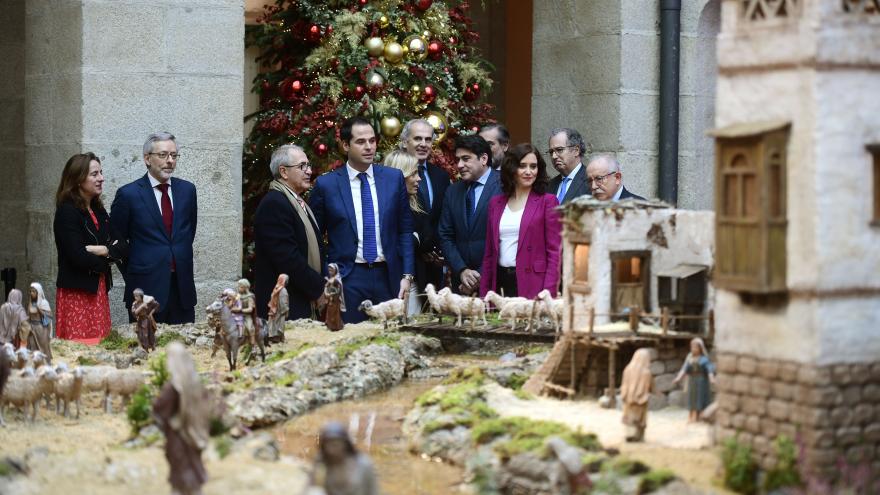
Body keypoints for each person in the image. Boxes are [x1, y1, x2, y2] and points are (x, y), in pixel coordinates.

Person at [309, 117, 415, 323]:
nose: (369, 147)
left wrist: (407, 275)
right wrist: (327, 276)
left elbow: (405, 230)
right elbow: (314, 237)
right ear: (345, 145)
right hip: (348, 277)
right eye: (361, 142)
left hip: (388, 275)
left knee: (390, 336)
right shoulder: (327, 185)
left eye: (372, 140)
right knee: (347, 340)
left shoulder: (394, 179)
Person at [111, 132, 198, 324]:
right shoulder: (128, 194)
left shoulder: (187, 190)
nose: (170, 161)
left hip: (181, 289)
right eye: (163, 155)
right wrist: (138, 272)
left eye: (174, 156)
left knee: (184, 347)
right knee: (147, 346)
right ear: (147, 159)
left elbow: (187, 233)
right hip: (145, 289)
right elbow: (117, 242)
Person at [54, 152, 127, 344]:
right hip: (77, 293)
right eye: (94, 174)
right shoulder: (67, 212)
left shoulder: (98, 210)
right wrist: (107, 259)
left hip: (98, 289)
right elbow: (77, 256)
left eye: (101, 173)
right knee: (79, 349)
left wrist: (103, 250)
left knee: (100, 345)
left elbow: (122, 245)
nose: (101, 178)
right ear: (78, 179)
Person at [479, 144, 562, 299]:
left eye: (533, 166)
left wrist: (548, 292)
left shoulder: (548, 202)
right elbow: (489, 254)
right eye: (522, 166)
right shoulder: (495, 204)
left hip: (533, 283)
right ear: (512, 168)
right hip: (500, 282)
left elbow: (555, 253)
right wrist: (484, 294)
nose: (529, 172)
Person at [253, 144, 326, 322]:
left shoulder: (296, 201)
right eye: (302, 166)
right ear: (284, 172)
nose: (309, 171)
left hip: (300, 299)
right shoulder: (274, 203)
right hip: (285, 306)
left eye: (309, 166)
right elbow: (288, 259)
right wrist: (318, 289)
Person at [438, 135, 501, 295]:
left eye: (466, 159)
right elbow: (445, 234)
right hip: (462, 283)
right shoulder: (453, 190)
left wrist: (480, 274)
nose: (459, 165)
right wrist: (462, 270)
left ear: (484, 158)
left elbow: (505, 235)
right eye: (458, 159)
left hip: (496, 279)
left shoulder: (504, 186)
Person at [152, 342, 213, 495]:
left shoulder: (173, 387)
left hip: (179, 434)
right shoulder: (195, 383)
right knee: (192, 464)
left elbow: (159, 409)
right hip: (194, 431)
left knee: (181, 471)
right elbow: (207, 404)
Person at [400, 119, 450, 291]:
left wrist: (438, 252)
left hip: (434, 268)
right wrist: (421, 247)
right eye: (417, 139)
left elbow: (443, 219)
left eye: (428, 139)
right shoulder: (392, 174)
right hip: (405, 266)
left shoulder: (441, 177)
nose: (423, 144)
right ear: (405, 142)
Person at [383, 149, 427, 315]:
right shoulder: (382, 208)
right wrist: (412, 238)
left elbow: (428, 235)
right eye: (413, 173)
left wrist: (413, 238)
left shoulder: (416, 202)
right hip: (390, 281)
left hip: (414, 281)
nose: (418, 179)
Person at [311, 421, 379, 495]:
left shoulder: (363, 464)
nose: (333, 449)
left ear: (346, 444)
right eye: (328, 444)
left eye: (336, 444)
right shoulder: (321, 463)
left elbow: (373, 491)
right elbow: (311, 487)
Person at [673, 337, 717, 422]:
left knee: (700, 397)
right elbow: (684, 369)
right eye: (692, 347)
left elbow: (709, 370)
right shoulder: (689, 359)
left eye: (695, 347)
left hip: (701, 382)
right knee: (692, 398)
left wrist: (711, 378)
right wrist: (678, 378)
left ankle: (700, 415)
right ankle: (691, 415)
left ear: (700, 348)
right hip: (692, 381)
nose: (693, 349)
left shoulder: (704, 359)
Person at [547, 128, 591, 204]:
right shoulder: (550, 185)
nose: (554, 156)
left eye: (559, 150)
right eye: (551, 152)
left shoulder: (591, 180)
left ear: (576, 150)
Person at [620, 348, 654, 442]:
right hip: (640, 400)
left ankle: (629, 435)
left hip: (628, 399)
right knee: (639, 419)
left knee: (629, 418)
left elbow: (624, 384)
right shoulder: (646, 373)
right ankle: (638, 437)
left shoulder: (627, 369)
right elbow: (649, 387)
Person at [26, 283, 53, 361]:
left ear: (38, 292)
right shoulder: (31, 303)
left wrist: (39, 309)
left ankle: (45, 363)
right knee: (32, 346)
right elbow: (28, 315)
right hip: (32, 328)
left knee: (43, 347)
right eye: (30, 291)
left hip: (41, 329)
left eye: (34, 291)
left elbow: (49, 316)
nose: (31, 293)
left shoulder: (44, 303)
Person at [266, 274, 289, 343]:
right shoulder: (283, 290)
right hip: (279, 311)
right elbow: (283, 302)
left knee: (273, 323)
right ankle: (277, 337)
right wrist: (286, 310)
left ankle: (274, 336)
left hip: (274, 310)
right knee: (279, 324)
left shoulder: (276, 288)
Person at [323, 263, 345, 332]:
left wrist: (333, 293)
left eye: (331, 271)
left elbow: (338, 290)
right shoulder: (331, 279)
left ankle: (336, 325)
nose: (330, 272)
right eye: (329, 270)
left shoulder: (336, 280)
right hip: (330, 299)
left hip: (335, 299)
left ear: (335, 271)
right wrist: (326, 293)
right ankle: (329, 324)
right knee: (329, 312)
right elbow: (326, 286)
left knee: (335, 313)